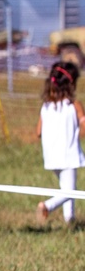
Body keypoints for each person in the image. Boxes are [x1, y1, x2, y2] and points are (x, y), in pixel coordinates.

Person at [36, 62, 85, 225]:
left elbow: (38, 132)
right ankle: (47, 206)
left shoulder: (46, 107)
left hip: (51, 158)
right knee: (70, 191)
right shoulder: (74, 105)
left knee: (66, 188)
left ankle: (69, 220)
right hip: (69, 156)